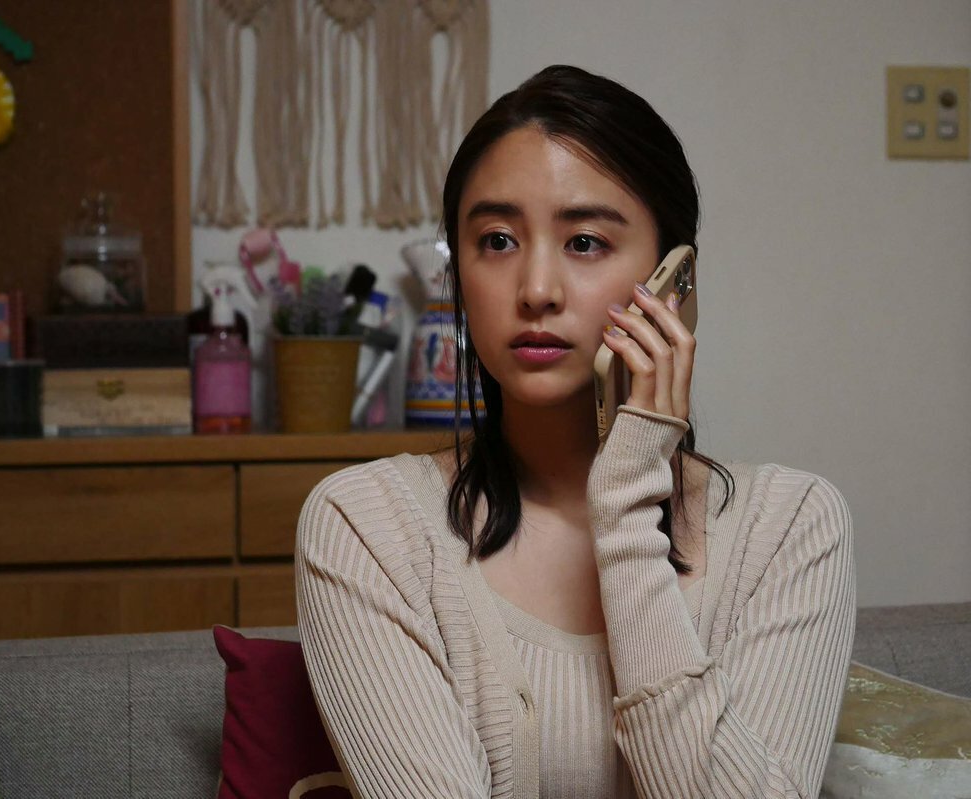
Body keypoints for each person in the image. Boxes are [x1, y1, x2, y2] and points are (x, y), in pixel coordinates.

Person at [296, 64, 856, 798]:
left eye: (585, 242)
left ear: (674, 283)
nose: (536, 290)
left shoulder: (791, 528)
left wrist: (624, 502)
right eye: (497, 239)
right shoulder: (366, 527)